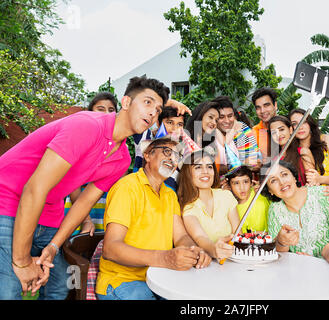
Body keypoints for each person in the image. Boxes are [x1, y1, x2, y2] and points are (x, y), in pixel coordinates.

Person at [0, 75, 171, 300]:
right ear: (126, 102)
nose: (153, 112)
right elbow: (34, 188)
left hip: (50, 209)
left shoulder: (121, 160)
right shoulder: (87, 125)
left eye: (158, 109)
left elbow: (84, 203)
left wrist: (53, 246)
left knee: (61, 284)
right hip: (7, 196)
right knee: (9, 288)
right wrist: (22, 262)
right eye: (148, 102)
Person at [96, 137, 211, 300]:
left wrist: (194, 250)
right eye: (167, 152)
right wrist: (164, 258)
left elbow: (181, 236)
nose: (172, 158)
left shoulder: (169, 193)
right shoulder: (127, 188)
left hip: (160, 278)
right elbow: (110, 249)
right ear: (147, 155)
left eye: (177, 156)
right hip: (123, 281)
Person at [261, 161, 329, 257]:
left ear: (294, 177)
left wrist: (317, 261)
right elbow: (278, 254)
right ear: (269, 190)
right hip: (297, 268)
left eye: (284, 174)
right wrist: (281, 242)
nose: (282, 182)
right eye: (273, 180)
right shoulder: (275, 210)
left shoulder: (323, 195)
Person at [65, 92, 120, 236]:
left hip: (103, 206)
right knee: (73, 246)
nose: (107, 114)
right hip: (77, 203)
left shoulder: (121, 146)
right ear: (90, 112)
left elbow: (118, 186)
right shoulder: (83, 139)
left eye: (111, 110)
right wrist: (85, 219)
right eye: (100, 109)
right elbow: (72, 184)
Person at [177, 150, 240, 261]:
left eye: (209, 167)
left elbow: (238, 232)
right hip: (207, 266)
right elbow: (199, 237)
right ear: (188, 173)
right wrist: (214, 250)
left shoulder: (226, 195)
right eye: (198, 167)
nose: (205, 171)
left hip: (235, 260)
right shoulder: (188, 206)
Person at [288, 108, 329, 186]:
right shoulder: (292, 151)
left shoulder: (326, 140)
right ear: (290, 129)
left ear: (310, 123)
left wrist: (320, 179)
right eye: (295, 124)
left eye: (304, 122)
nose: (300, 127)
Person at [212, 96, 261, 175]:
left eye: (230, 116)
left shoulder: (240, 131)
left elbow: (256, 163)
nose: (227, 121)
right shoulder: (208, 136)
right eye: (221, 117)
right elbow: (211, 167)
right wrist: (241, 165)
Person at [225, 165, 270, 233]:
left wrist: (266, 190)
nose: (242, 188)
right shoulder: (231, 207)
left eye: (245, 182)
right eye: (236, 183)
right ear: (229, 186)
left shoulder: (260, 194)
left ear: (251, 183)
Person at [268, 115, 306, 185]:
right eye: (274, 133)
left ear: (290, 130)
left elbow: (313, 182)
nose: (278, 134)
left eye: (281, 129)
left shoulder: (303, 152)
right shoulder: (274, 160)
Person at [251, 87, 278, 160]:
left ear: (275, 105)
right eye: (258, 107)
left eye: (266, 105)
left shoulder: (287, 127)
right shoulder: (253, 133)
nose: (262, 111)